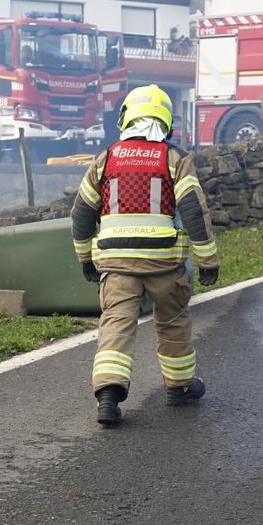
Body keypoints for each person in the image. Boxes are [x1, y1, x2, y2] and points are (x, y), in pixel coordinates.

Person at [70, 84, 220, 425]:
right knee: (173, 323)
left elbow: (81, 214)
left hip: (116, 264)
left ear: (126, 117)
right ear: (166, 122)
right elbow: (194, 212)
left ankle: (108, 394)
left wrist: (84, 258)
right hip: (164, 264)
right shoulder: (174, 159)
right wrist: (208, 261)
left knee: (116, 325)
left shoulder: (105, 159)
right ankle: (179, 387)